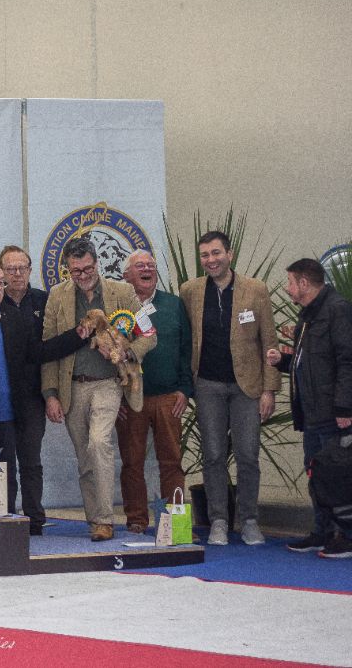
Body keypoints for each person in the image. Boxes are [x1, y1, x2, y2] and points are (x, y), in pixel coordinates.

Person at [0, 263, 89, 531]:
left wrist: (77, 336)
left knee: (5, 474)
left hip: (9, 411)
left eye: (0, 283)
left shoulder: (16, 318)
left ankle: (7, 528)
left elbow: (39, 353)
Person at [41, 237, 157, 542]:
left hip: (109, 383)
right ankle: (95, 519)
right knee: (85, 457)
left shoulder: (123, 292)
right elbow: (48, 348)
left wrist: (127, 353)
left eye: (87, 268)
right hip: (73, 388)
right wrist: (50, 393)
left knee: (98, 443)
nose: (82, 275)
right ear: (67, 269)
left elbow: (149, 334)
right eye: (75, 271)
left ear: (98, 263)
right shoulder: (56, 296)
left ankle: (106, 520)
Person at [180, 230, 279, 546]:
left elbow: (270, 342)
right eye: (205, 255)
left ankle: (249, 520)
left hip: (247, 387)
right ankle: (219, 520)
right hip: (207, 385)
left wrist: (269, 390)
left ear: (230, 254)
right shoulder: (190, 291)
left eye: (216, 253)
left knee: (248, 455)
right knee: (212, 455)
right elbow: (186, 340)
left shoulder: (256, 289)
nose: (210, 260)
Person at [267, 258, 352, 557]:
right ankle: (322, 532)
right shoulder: (308, 315)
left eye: (290, 282)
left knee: (338, 475)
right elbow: (311, 363)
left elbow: (347, 360)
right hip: (312, 413)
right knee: (316, 474)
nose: (288, 289)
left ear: (304, 283)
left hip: (333, 412)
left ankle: (347, 536)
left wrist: (345, 406)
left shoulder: (337, 310)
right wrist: (284, 362)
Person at [114, 250, 193, 533]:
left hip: (168, 397)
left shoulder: (173, 305)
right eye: (140, 266)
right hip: (129, 399)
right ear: (126, 275)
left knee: (172, 461)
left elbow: (187, 350)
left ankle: (178, 523)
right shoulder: (117, 308)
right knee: (131, 463)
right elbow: (107, 354)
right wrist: (115, 397)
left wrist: (184, 389)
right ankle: (136, 519)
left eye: (151, 265)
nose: (147, 269)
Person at [0, 244, 51, 534]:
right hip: (1, 397)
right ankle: (4, 516)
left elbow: (53, 350)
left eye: (22, 268)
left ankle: (34, 519)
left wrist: (51, 394)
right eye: (10, 268)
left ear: (31, 270)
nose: (17, 274)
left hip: (33, 395)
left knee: (31, 460)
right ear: (1, 273)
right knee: (2, 461)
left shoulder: (46, 301)